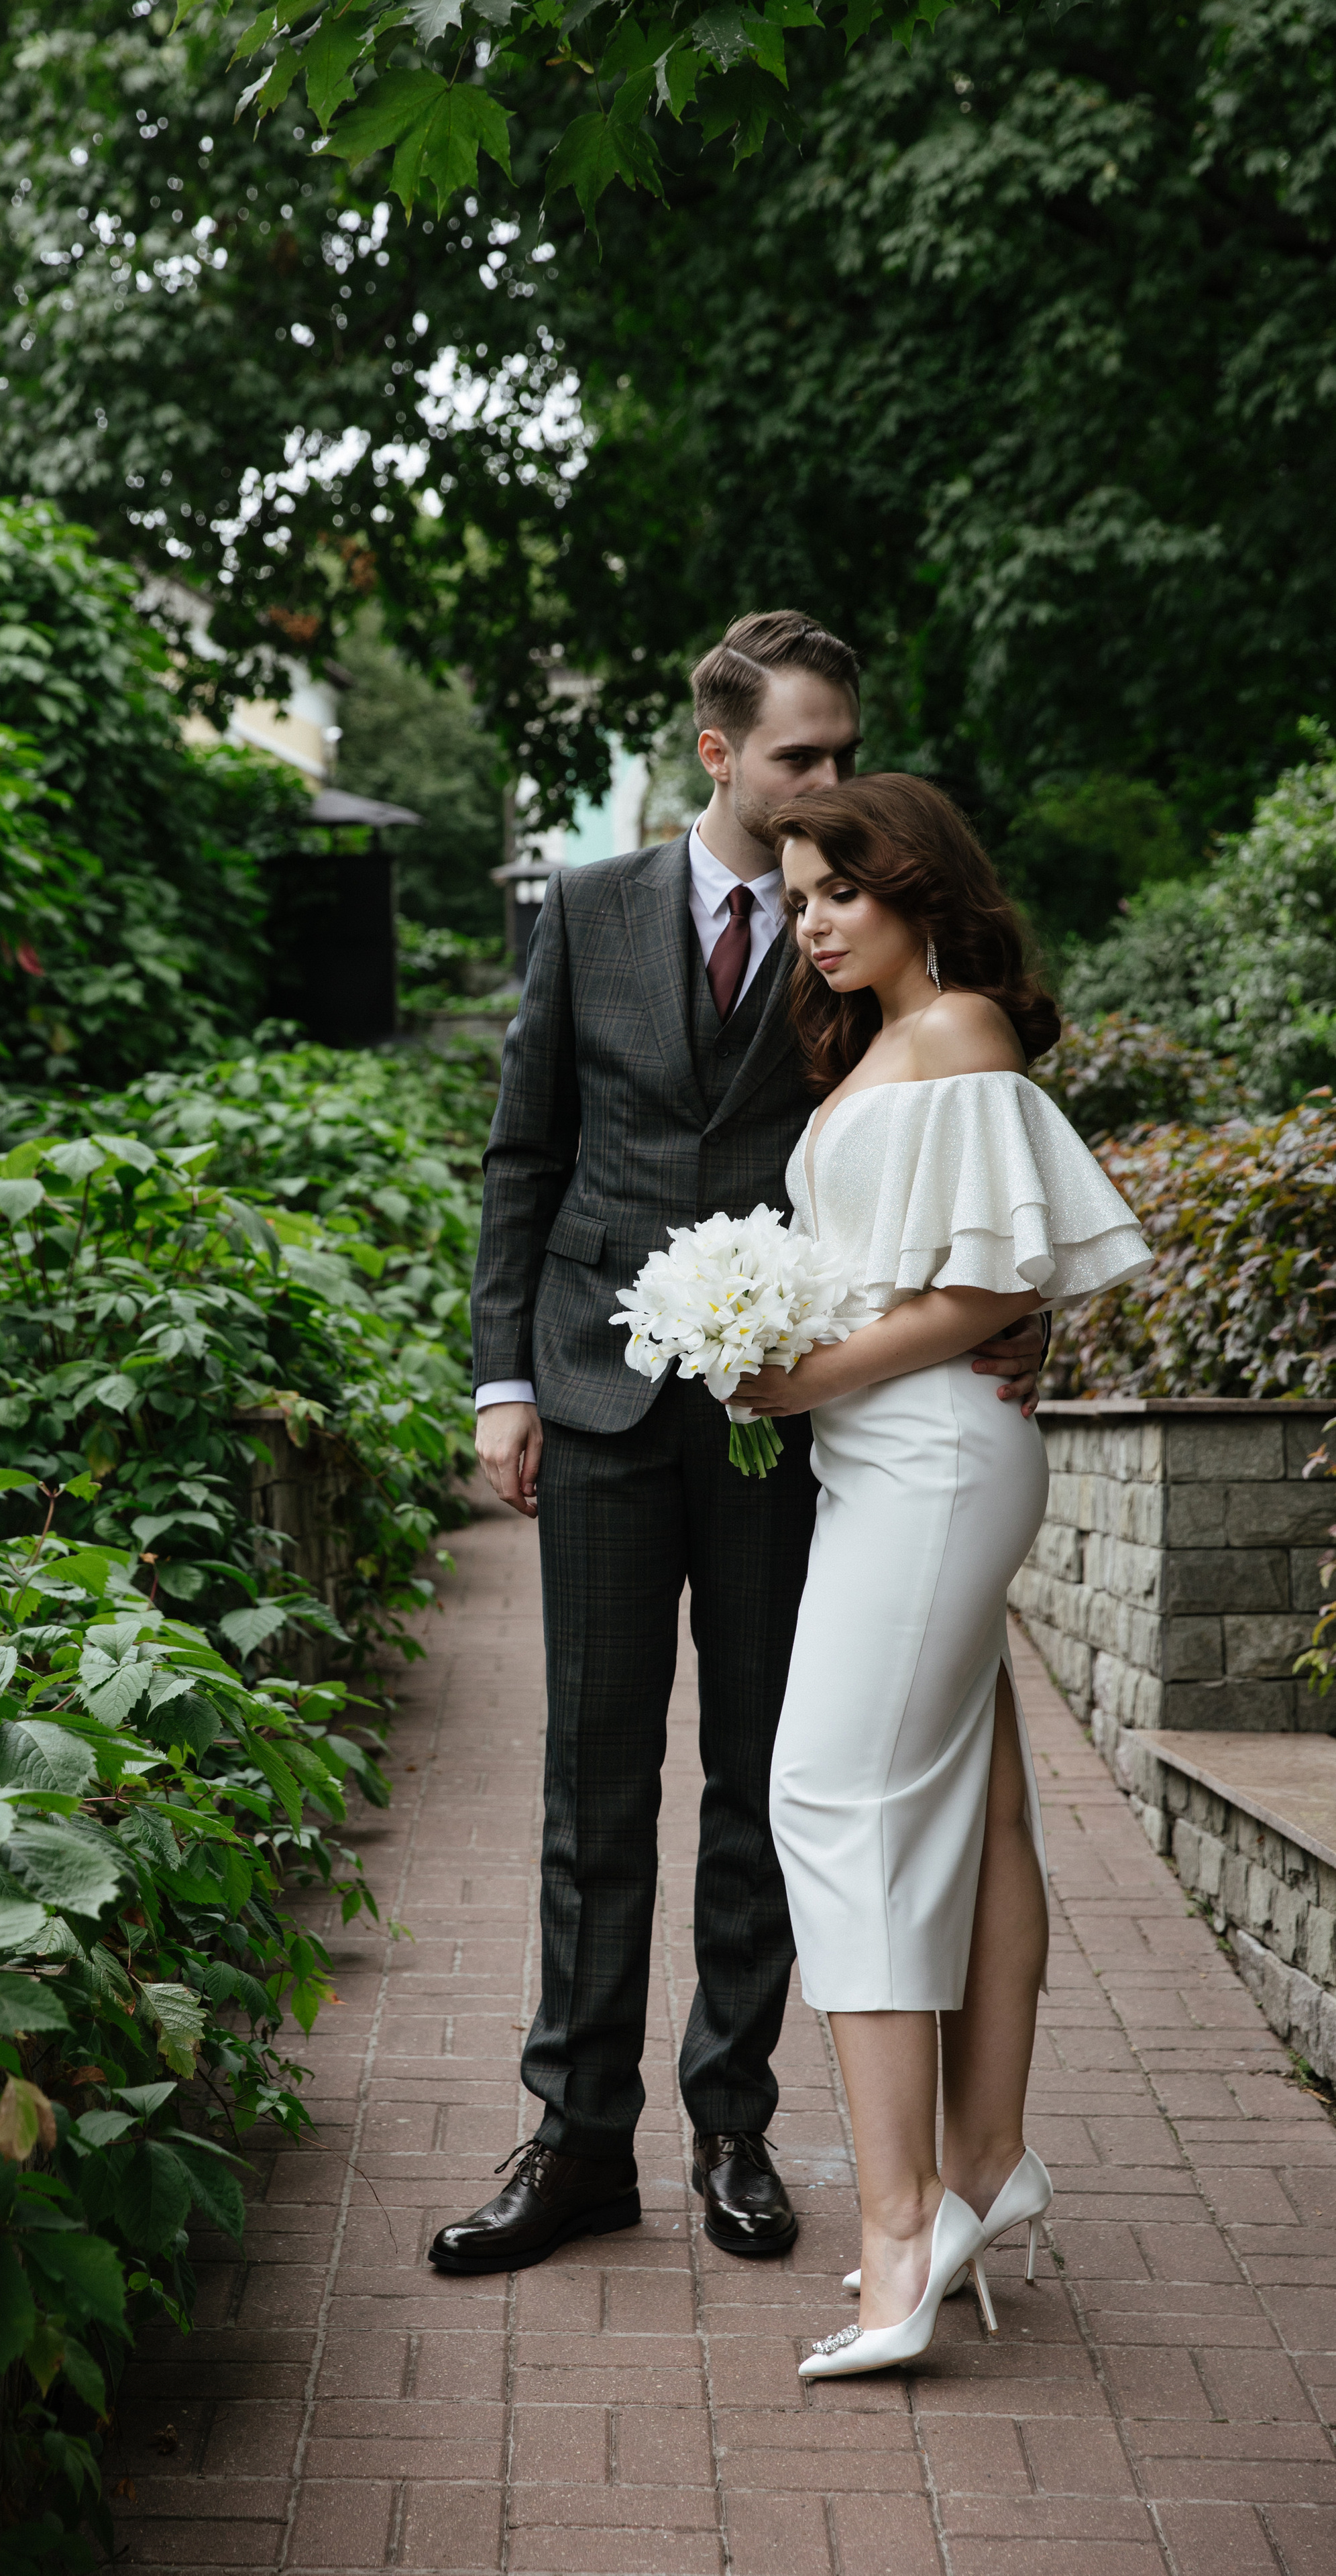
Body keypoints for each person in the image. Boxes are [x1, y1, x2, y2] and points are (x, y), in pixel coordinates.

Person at [429, 615, 1046, 2277]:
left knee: (764, 1775)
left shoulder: (856, 931)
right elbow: (522, 1154)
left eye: (846, 753)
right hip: (602, 1388)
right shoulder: (591, 908)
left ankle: (731, 2125)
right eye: (800, 759)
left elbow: (954, 1131)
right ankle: (571, 2145)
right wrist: (501, 1380)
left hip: (802, 1413)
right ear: (717, 756)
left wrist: (1006, 1306)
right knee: (590, 1771)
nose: (831, 787)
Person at [732, 773, 1148, 2377]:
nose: (815, 922)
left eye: (838, 889)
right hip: (886, 1463)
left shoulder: (959, 1028)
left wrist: (797, 1373)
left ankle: (898, 2230)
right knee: (977, 1812)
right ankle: (984, 2165)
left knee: (828, 1801)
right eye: (793, 900)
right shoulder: (875, 1047)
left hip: (930, 1462)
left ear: (914, 884)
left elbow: (984, 1290)